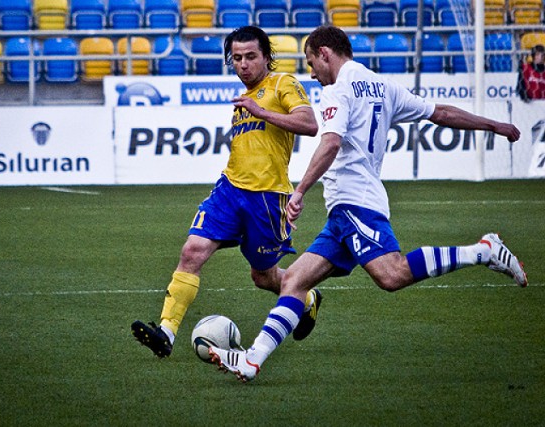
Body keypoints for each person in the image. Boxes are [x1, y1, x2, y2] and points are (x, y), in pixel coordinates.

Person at [208, 25, 528, 382]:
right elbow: (440, 113)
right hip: (344, 212)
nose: (312, 73)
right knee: (294, 282)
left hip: (356, 202)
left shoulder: (337, 90)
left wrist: (299, 192)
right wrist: (493, 125)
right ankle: (252, 361)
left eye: (312, 62)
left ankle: (482, 251)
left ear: (326, 54)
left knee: (391, 275)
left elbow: (329, 143)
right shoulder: (382, 85)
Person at [131, 26, 320, 358]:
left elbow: (309, 123)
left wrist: (261, 111)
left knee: (263, 277)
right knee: (192, 251)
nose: (243, 64)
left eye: (250, 57)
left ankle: (306, 297)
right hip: (229, 190)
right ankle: (166, 332)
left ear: (266, 57)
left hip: (267, 198)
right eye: (236, 58)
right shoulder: (243, 97)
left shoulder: (282, 84)